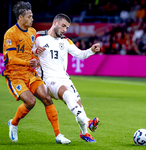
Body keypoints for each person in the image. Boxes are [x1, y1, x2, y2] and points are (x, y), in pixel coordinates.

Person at [2, 1, 70, 144]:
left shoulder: (32, 32)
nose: (32, 19)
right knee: (31, 102)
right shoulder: (10, 33)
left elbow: (30, 53)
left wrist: (36, 55)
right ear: (20, 18)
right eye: (29, 16)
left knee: (46, 97)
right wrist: (29, 61)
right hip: (15, 75)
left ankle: (58, 135)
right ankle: (13, 123)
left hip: (30, 72)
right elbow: (12, 58)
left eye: (32, 16)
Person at [32, 13, 100, 142]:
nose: (64, 30)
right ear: (55, 22)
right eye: (63, 26)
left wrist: (91, 50)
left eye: (67, 28)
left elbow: (80, 54)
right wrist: (34, 56)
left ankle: (84, 133)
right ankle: (88, 121)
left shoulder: (65, 41)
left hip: (65, 78)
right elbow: (27, 51)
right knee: (68, 95)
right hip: (48, 79)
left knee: (78, 105)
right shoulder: (38, 37)